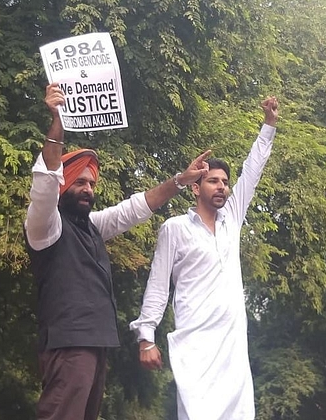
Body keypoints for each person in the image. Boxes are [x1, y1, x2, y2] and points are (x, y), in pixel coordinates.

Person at [24, 82, 211, 420]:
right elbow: (45, 182)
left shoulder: (92, 225)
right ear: (65, 186)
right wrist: (58, 122)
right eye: (80, 182)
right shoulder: (46, 226)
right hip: (69, 344)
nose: (87, 189)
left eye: (92, 184)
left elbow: (137, 207)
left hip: (95, 344)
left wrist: (181, 181)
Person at [129, 96, 279, 420]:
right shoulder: (175, 229)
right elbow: (157, 287)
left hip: (233, 347)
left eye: (225, 182)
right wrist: (146, 338)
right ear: (196, 188)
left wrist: (268, 125)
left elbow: (253, 170)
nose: (222, 187)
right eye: (213, 180)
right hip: (195, 347)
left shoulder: (233, 220)